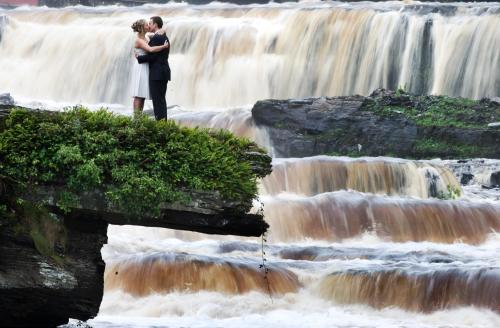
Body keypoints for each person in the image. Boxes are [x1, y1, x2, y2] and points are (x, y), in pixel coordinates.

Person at [130, 19, 169, 116]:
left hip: (146, 66)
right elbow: (151, 50)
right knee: (138, 94)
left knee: (142, 94)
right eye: (147, 25)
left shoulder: (146, 37)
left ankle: (139, 119)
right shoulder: (139, 40)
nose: (148, 26)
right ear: (142, 28)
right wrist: (163, 47)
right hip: (140, 67)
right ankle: (136, 119)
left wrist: (163, 30)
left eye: (149, 24)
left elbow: (157, 33)